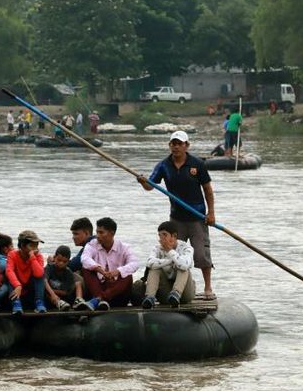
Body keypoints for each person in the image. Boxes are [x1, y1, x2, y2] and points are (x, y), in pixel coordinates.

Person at [138, 130, 216, 299]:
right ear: (169, 146)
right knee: (172, 252)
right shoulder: (163, 165)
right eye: (173, 143)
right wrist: (143, 183)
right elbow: (151, 186)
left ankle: (208, 288)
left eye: (179, 143)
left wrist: (211, 213)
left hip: (197, 217)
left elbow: (208, 190)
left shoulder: (197, 164)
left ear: (186, 146)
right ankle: (174, 289)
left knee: (201, 254)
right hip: (176, 218)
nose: (176, 147)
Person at [77, 217, 138, 310]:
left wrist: (117, 272)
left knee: (127, 275)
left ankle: (99, 299)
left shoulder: (124, 247)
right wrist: (99, 269)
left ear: (112, 233)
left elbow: (135, 263)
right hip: (98, 288)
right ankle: (100, 299)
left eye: (101, 232)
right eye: (97, 232)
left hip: (116, 293)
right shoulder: (92, 244)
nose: (97, 235)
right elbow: (84, 258)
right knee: (86, 269)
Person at [140, 221, 196, 309]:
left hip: (185, 293)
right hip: (165, 294)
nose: (162, 239)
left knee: (182, 267)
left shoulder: (186, 247)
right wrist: (170, 261)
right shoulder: (157, 248)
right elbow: (149, 262)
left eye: (165, 235)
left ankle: (176, 293)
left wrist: (170, 251)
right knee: (154, 268)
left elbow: (185, 265)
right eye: (160, 236)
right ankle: (150, 297)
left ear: (174, 236)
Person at [6, 230, 45, 314]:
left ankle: (39, 302)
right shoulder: (12, 254)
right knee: (11, 277)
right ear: (22, 246)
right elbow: (9, 271)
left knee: (41, 274)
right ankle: (16, 303)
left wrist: (32, 257)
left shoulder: (38, 256)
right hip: (17, 290)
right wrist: (18, 285)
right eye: (32, 246)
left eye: (36, 246)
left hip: (30, 289)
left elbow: (39, 274)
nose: (35, 249)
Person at [44, 245, 82, 311]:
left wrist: (51, 291)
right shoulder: (49, 267)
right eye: (59, 260)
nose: (61, 263)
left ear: (68, 262)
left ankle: (78, 302)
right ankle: (58, 303)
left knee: (78, 283)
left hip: (64, 296)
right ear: (54, 257)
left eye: (64, 262)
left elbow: (65, 292)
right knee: (46, 292)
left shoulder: (68, 272)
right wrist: (52, 294)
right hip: (50, 295)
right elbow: (44, 281)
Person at [0, 233, 14, 306]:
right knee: (7, 285)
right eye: (12, 246)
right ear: (5, 249)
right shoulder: (3, 262)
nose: (14, 249)